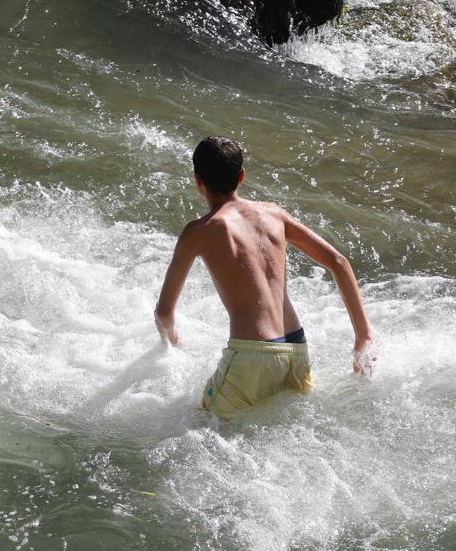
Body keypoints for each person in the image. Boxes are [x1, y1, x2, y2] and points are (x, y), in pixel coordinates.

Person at [154, 136, 375, 419]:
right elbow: (339, 262)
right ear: (242, 176)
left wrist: (171, 341)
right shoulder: (275, 214)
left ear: (198, 180)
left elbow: (163, 312)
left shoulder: (199, 231)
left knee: (198, 422)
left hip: (252, 354)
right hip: (296, 350)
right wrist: (363, 335)